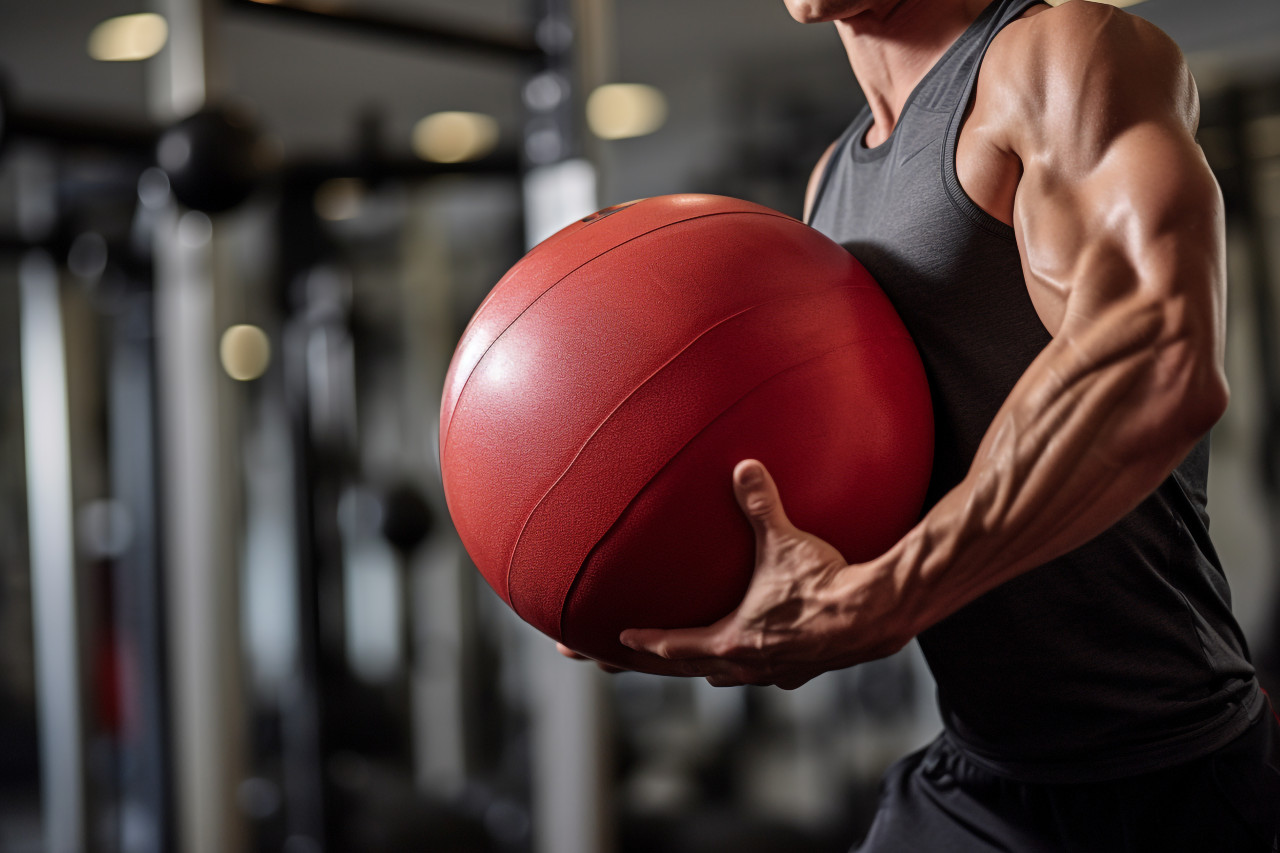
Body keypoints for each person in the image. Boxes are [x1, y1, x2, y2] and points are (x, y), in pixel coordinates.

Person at [560, 0, 1280, 849]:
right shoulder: (834, 180)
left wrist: (888, 596)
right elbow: (866, 488)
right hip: (978, 780)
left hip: (1169, 772)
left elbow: (1156, 354)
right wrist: (682, 587)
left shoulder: (1058, 55)